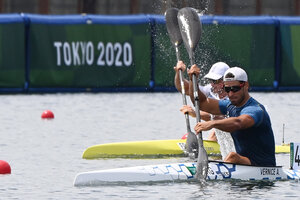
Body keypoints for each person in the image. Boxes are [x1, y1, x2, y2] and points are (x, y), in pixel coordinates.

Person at [183, 63, 276, 167]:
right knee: (232, 157)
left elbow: (238, 123)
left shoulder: (255, 110)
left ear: (246, 86)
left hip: (264, 166)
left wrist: (212, 123)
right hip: (244, 164)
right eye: (227, 89)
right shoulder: (229, 105)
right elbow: (201, 103)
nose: (230, 94)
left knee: (232, 156)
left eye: (235, 89)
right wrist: (192, 80)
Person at [174, 61, 229, 141]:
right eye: (211, 80)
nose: (212, 84)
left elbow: (220, 117)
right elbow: (186, 89)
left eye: (215, 81)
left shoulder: (233, 97)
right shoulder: (210, 89)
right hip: (220, 132)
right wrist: (179, 73)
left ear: (225, 81)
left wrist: (195, 113)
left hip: (233, 132)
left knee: (216, 130)